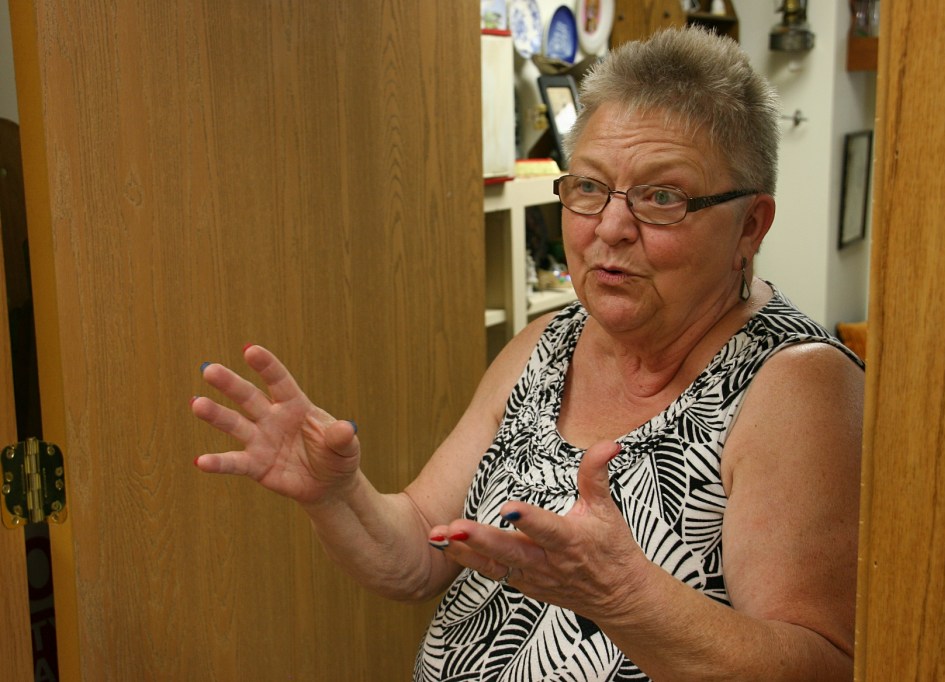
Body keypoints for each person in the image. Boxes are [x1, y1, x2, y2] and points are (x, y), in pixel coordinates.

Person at [192, 25, 864, 681]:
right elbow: (424, 547)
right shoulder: (549, 341)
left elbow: (820, 664)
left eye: (663, 197)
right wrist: (338, 498)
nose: (610, 228)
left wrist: (625, 598)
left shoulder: (797, 386)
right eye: (591, 187)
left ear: (751, 224)